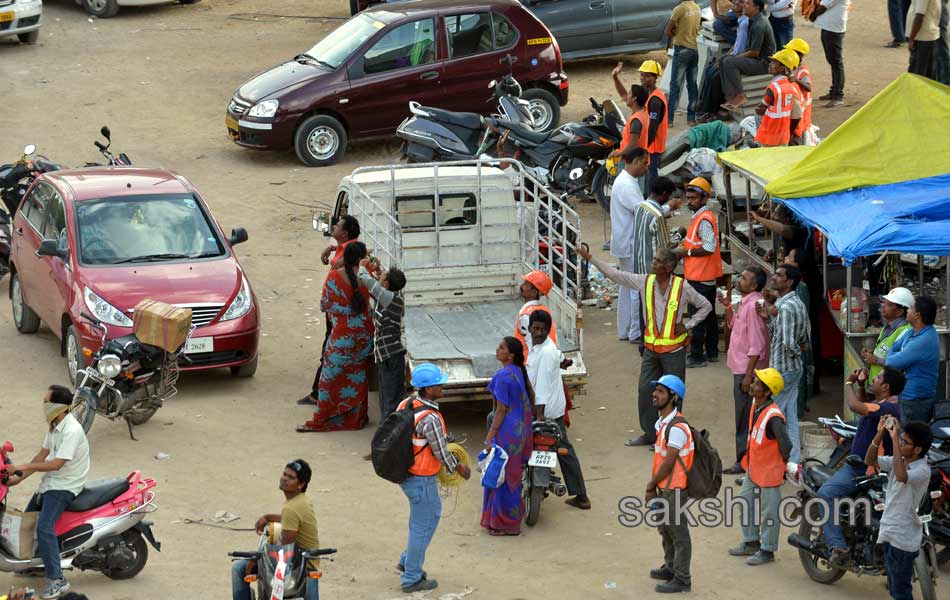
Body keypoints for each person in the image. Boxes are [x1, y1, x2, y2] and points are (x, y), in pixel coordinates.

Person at [578, 245, 712, 447]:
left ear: (668, 266)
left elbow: (706, 305)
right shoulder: (645, 282)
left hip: (674, 351)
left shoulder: (682, 286)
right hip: (651, 350)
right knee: (645, 391)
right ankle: (651, 434)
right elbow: (616, 275)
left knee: (673, 395)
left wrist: (688, 325)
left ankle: (669, 436)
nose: (653, 263)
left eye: (658, 261)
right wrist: (591, 258)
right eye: (654, 259)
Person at [6, 385, 90, 600]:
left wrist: (21, 467)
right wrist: (16, 480)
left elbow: (57, 464)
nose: (43, 405)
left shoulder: (71, 430)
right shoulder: (54, 425)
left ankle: (58, 579)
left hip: (65, 485)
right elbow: (41, 457)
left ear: (58, 406)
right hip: (50, 483)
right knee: (27, 521)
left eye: (47, 401)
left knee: (44, 527)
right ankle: (36, 563)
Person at [395, 363, 471, 592]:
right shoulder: (431, 417)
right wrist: (460, 469)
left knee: (422, 520)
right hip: (421, 478)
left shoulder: (406, 403)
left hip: (406, 474)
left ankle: (408, 560)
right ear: (428, 389)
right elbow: (441, 452)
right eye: (439, 384)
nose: (443, 386)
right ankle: (411, 577)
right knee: (424, 524)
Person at [818, 366, 905, 565]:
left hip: (864, 471)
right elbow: (866, 405)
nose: (874, 378)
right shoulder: (882, 404)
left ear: (885, 386)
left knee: (825, 494)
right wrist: (860, 384)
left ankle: (837, 546)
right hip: (865, 467)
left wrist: (848, 382)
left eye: (878, 378)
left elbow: (856, 406)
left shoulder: (889, 409)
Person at [298, 242, 374, 432]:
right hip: (364, 336)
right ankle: (356, 419)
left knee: (329, 379)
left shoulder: (334, 277)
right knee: (357, 376)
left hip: (342, 338)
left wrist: (346, 312)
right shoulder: (369, 276)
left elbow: (325, 305)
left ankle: (322, 420)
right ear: (361, 258)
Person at [527, 310, 591, 509]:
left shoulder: (545, 352)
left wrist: (539, 417)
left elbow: (543, 388)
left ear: (548, 331)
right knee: (563, 450)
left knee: (564, 449)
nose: (538, 332)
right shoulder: (541, 347)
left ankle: (582, 496)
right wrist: (563, 362)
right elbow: (559, 356)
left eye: (543, 329)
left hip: (548, 412)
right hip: (544, 409)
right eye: (535, 328)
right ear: (529, 328)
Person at [864, 418, 933, 600]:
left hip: (903, 539)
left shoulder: (923, 470)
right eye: (901, 439)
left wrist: (894, 440)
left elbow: (902, 476)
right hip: (890, 532)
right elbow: (869, 459)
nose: (901, 443)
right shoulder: (900, 459)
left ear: (917, 450)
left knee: (901, 592)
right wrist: (880, 433)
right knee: (895, 589)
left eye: (905, 442)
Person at [232, 460, 320, 600]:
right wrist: (267, 517)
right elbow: (291, 519)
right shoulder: (303, 501)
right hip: (310, 562)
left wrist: (253, 562)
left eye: (290, 477)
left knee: (238, 568)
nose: (284, 478)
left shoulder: (291, 508)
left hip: (295, 567)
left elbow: (284, 551)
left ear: (301, 484)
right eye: (284, 474)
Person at [728, 368, 790, 565]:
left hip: (769, 473)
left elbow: (786, 446)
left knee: (769, 512)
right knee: (746, 502)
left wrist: (783, 468)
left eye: (756, 383)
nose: (752, 384)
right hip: (755, 468)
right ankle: (751, 542)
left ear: (766, 391)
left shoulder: (773, 417)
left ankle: (767, 549)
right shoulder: (757, 404)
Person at [300, 214, 361, 406]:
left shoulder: (349, 257)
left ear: (346, 233)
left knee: (329, 351)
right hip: (340, 313)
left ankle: (319, 394)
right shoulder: (348, 249)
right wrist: (332, 248)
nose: (334, 226)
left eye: (338, 225)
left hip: (337, 313)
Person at [645, 374, 693, 593]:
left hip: (674, 488)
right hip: (665, 487)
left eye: (661, 391)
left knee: (679, 534)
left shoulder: (676, 428)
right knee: (665, 530)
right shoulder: (664, 423)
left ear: (673, 397)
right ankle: (671, 567)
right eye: (656, 390)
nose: (655, 394)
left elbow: (668, 462)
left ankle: (682, 578)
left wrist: (650, 485)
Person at [756, 264, 809, 463]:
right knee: (790, 416)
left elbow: (788, 343)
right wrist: (767, 319)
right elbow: (781, 336)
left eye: (779, 275)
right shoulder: (794, 303)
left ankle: (769, 462)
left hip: (783, 371)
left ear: (789, 281)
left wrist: (797, 351)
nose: (774, 277)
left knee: (770, 417)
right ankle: (793, 461)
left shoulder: (786, 307)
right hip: (789, 369)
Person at [482, 337, 535, 535]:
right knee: (511, 475)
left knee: (501, 476)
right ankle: (506, 520)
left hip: (507, 431)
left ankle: (506, 524)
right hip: (520, 430)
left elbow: (501, 410)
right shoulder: (518, 372)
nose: (497, 350)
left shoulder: (503, 376)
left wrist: (490, 436)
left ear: (510, 355)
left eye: (501, 347)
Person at [722, 266, 770, 474]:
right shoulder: (746, 303)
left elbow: (756, 345)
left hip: (746, 370)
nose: (739, 280)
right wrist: (727, 307)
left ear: (754, 285)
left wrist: (749, 375)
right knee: (745, 415)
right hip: (741, 367)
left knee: (744, 417)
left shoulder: (754, 306)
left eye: (743, 278)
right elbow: (735, 326)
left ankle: (744, 460)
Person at [863, 295, 940, 423]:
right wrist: (895, 356)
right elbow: (895, 346)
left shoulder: (923, 340)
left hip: (916, 400)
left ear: (917, 315)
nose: (907, 311)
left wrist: (890, 358)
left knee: (908, 437)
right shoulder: (912, 332)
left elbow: (893, 363)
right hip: (907, 396)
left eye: (910, 308)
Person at [674, 177, 722, 368]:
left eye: (693, 198)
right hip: (702, 277)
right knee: (708, 316)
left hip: (700, 279)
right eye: (688, 197)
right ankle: (712, 352)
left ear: (703, 199)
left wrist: (686, 252)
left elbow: (709, 247)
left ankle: (696, 356)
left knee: (699, 318)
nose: (690, 201)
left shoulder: (704, 221)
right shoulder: (701, 218)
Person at [608, 147, 651, 343]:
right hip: (630, 242)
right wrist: (665, 208)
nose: (646, 167)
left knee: (627, 286)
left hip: (625, 240)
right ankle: (635, 332)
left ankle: (625, 330)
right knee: (636, 287)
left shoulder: (626, 182)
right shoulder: (626, 184)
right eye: (644, 162)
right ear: (633, 162)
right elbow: (643, 212)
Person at [358, 257, 408, 418]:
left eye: (382, 277)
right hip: (386, 354)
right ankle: (387, 430)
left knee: (391, 399)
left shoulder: (388, 297)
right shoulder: (391, 296)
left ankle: (390, 434)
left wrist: (362, 266)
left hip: (390, 355)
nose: (379, 277)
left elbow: (366, 280)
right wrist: (379, 271)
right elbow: (378, 287)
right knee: (387, 395)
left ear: (386, 284)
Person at [613, 61, 668, 193]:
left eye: (647, 76)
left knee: (649, 182)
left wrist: (641, 150)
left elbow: (653, 129)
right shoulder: (645, 95)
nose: (643, 78)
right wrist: (615, 78)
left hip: (651, 148)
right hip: (645, 148)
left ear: (655, 78)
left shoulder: (655, 100)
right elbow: (625, 96)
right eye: (642, 75)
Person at [720, 0, 777, 111]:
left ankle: (740, 96)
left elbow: (754, 52)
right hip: (756, 59)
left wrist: (735, 58)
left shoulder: (759, 24)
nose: (744, 6)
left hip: (764, 64)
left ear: (756, 7)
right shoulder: (752, 20)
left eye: (747, 4)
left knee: (729, 62)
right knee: (723, 59)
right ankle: (731, 97)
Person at [700, 0, 751, 119]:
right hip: (734, 56)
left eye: (739, 3)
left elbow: (745, 48)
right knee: (710, 69)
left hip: (739, 59)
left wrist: (728, 59)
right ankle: (704, 105)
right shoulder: (740, 20)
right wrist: (725, 56)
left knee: (716, 76)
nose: (734, 4)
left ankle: (712, 109)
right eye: (734, 3)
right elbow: (736, 43)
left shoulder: (746, 23)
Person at [753, 49, 803, 147]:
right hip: (783, 136)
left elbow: (761, 109)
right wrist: (790, 132)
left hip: (768, 136)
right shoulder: (793, 87)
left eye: (774, 62)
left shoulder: (772, 88)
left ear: (782, 68)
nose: (770, 64)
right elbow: (797, 115)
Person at [632, 177, 680, 277]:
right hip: (652, 270)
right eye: (668, 196)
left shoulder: (639, 206)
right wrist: (679, 237)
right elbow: (665, 247)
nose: (668, 199)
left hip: (638, 267)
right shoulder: (658, 216)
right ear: (663, 193)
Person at [864, 287, 913, 383]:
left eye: (889, 304)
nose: (883, 306)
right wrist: (872, 352)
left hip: (888, 389)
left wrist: (876, 360)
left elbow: (901, 363)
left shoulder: (906, 332)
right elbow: (886, 350)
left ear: (899, 312)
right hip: (877, 385)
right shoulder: (887, 327)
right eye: (884, 302)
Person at [665, 0, 702, 126]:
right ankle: (691, 119)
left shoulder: (679, 9)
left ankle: (669, 119)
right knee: (692, 85)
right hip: (694, 50)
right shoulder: (697, 8)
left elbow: (667, 31)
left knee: (675, 85)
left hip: (681, 50)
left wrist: (676, 31)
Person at [809, 0, 851, 107]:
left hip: (833, 29)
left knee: (836, 63)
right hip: (830, 27)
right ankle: (834, 91)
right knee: (833, 61)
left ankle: (838, 95)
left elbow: (823, 7)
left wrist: (813, 14)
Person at [514, 270, 557, 355]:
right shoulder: (543, 309)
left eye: (526, 284)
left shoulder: (527, 315)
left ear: (534, 292)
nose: (522, 286)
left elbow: (534, 346)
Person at [610, 84, 650, 159]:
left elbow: (632, 145)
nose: (627, 96)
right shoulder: (643, 113)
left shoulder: (636, 120)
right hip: (639, 159)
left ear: (634, 98)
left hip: (631, 161)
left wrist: (617, 154)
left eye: (629, 93)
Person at [784, 39, 813, 141]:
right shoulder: (793, 67)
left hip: (802, 110)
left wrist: (796, 80)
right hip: (797, 108)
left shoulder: (803, 71)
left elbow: (808, 87)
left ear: (799, 54)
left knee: (798, 134)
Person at [906, 0, 942, 79]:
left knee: (917, 75)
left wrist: (911, 39)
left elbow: (919, 16)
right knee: (928, 74)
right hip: (928, 36)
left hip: (922, 37)